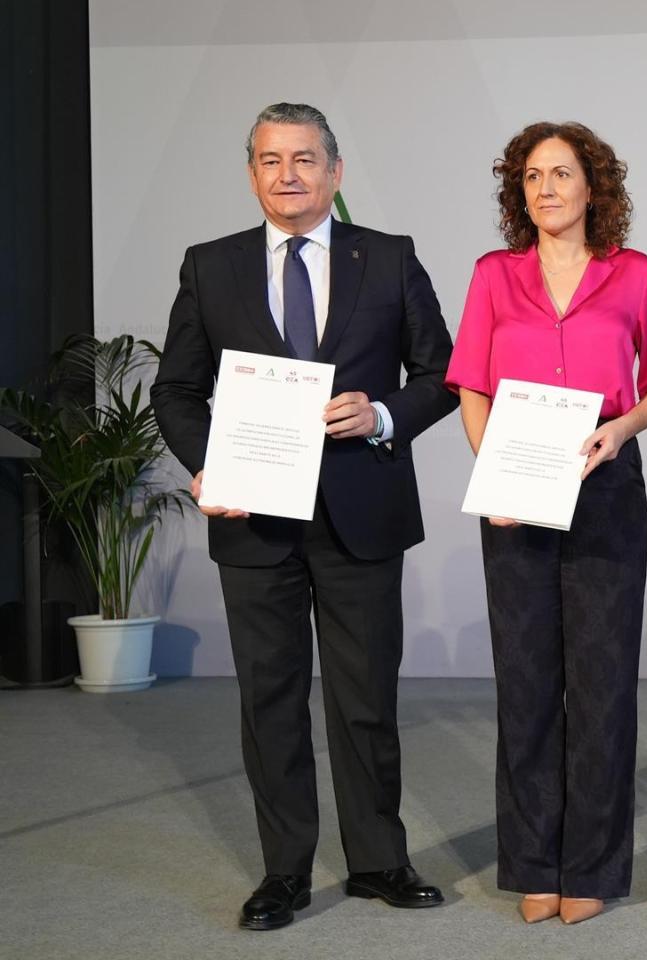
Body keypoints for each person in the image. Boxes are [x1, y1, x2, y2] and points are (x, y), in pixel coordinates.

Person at [152, 102, 457, 931]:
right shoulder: (210, 266)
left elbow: (442, 373)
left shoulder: (389, 259)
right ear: (252, 171)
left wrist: (384, 415)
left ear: (336, 171)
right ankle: (284, 871)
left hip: (362, 508)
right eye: (270, 160)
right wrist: (207, 465)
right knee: (270, 699)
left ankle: (378, 861)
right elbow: (175, 390)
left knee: (365, 697)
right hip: (255, 518)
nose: (288, 174)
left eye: (305, 159)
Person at [444, 121, 647, 925]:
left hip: (607, 487)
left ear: (593, 188)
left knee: (603, 685)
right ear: (520, 193)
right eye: (532, 177)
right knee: (528, 682)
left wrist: (622, 429)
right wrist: (495, 466)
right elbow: (470, 384)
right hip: (516, 492)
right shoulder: (493, 276)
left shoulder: (634, 274)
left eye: (562, 174)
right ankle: (535, 862)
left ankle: (593, 866)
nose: (546, 188)